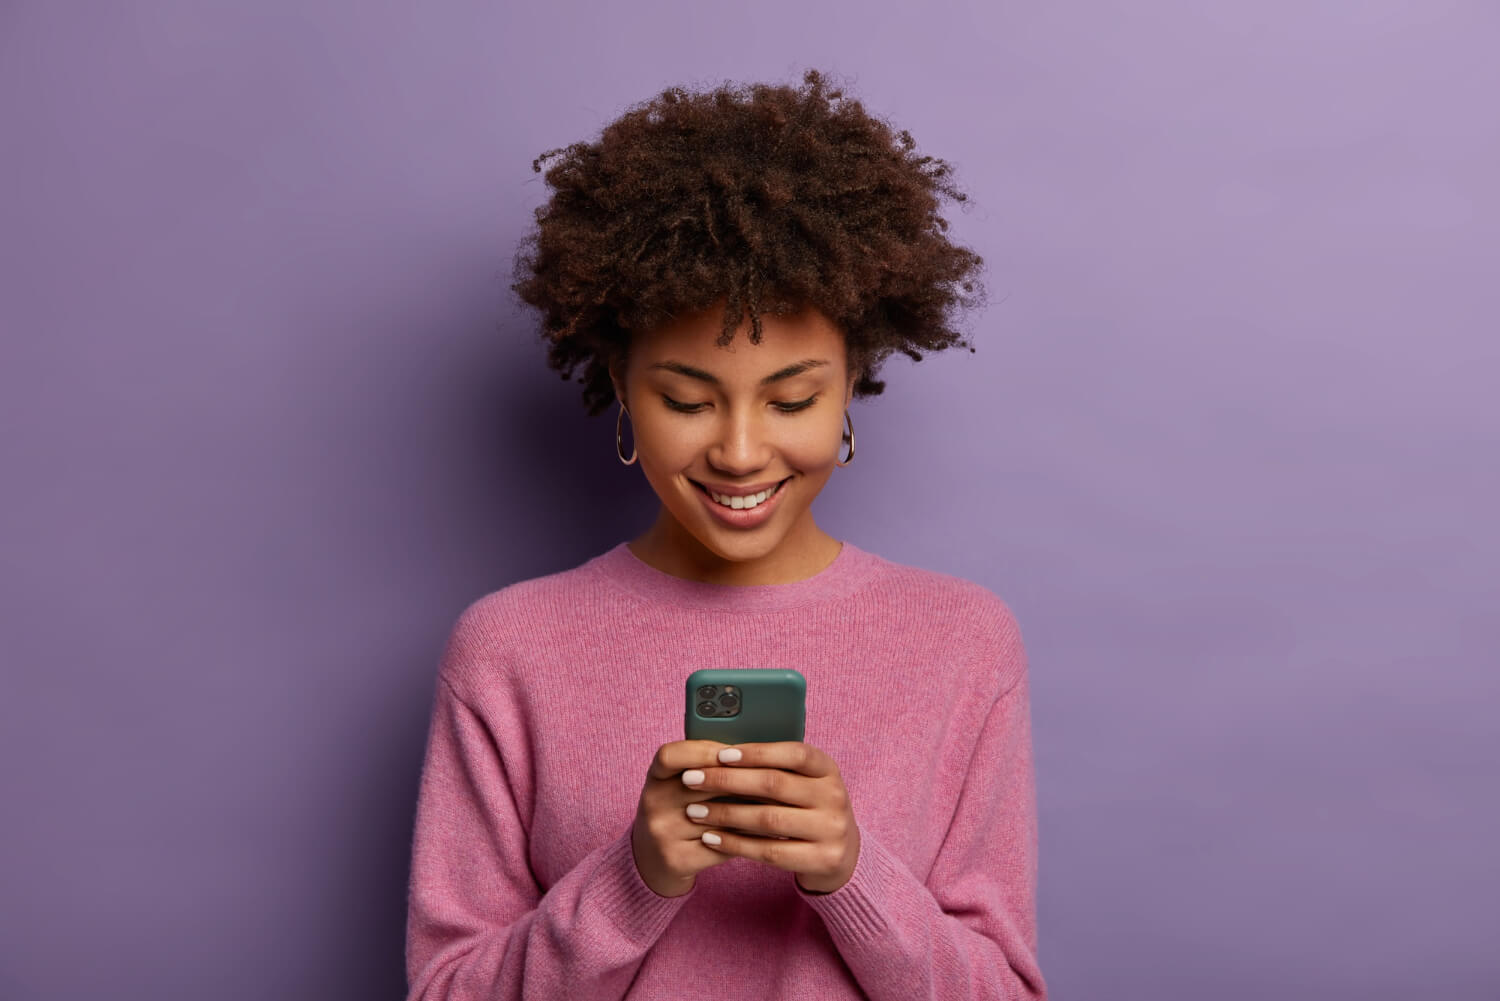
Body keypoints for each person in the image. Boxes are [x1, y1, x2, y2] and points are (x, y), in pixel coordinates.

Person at [404, 69, 1047, 1001]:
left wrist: (853, 875)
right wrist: (634, 879)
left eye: (792, 398)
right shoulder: (507, 650)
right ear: (621, 386)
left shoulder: (964, 641)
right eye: (686, 399)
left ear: (852, 382)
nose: (741, 451)